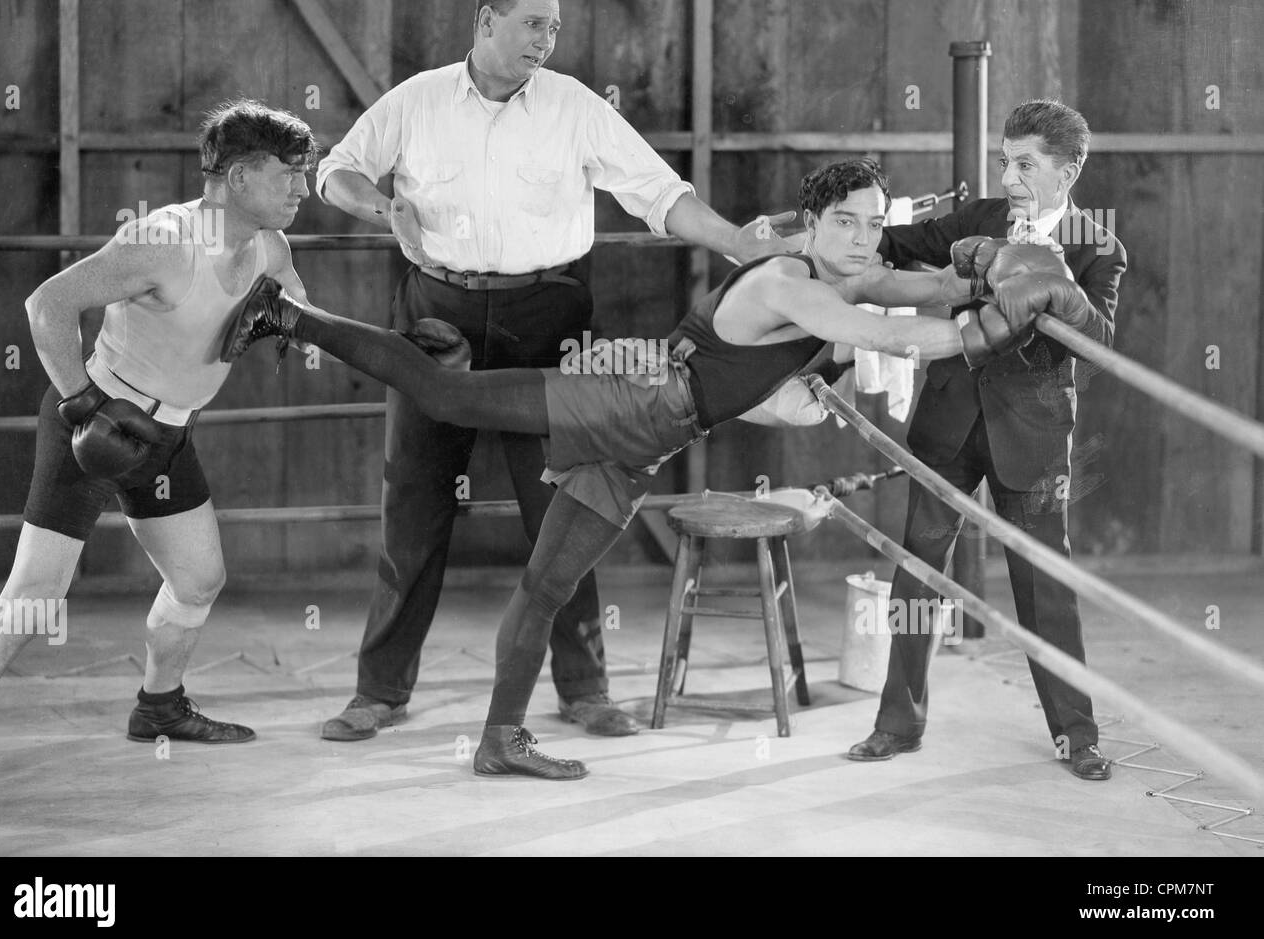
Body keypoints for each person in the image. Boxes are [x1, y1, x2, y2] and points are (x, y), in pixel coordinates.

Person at [223, 157, 1089, 779]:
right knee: (449, 398)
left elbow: (914, 295)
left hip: (650, 439)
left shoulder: (849, 274)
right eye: (845, 223)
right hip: (633, 394)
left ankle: (499, 738)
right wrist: (998, 322)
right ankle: (291, 315)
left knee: (546, 586)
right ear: (813, 226)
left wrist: (979, 274)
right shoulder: (789, 280)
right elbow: (897, 335)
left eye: (873, 223)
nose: (864, 240)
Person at [313, 0, 797, 742]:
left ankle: (584, 688)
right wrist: (384, 205)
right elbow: (333, 171)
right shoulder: (418, 100)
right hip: (437, 311)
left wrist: (738, 240)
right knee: (414, 501)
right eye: (534, 24)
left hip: (548, 313)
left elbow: (657, 191)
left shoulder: (574, 106)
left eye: (555, 27)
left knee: (566, 504)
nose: (548, 40)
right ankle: (379, 690)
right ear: (486, 23)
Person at [0, 99, 316, 827]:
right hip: (97, 424)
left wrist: (402, 349)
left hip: (169, 436)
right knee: (31, 599)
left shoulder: (270, 250)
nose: (301, 190)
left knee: (198, 578)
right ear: (241, 175)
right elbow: (48, 304)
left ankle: (160, 706)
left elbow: (307, 324)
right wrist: (81, 402)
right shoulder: (162, 242)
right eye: (289, 175)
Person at [847, 99, 1127, 781]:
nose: (1009, 177)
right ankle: (897, 724)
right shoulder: (978, 220)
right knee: (917, 573)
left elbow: (1098, 348)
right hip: (948, 421)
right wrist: (831, 236)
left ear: (1069, 169)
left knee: (1044, 590)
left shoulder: (1100, 246)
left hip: (1030, 438)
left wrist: (1061, 289)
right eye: (1005, 160)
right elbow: (899, 243)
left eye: (1025, 164)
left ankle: (1077, 735)